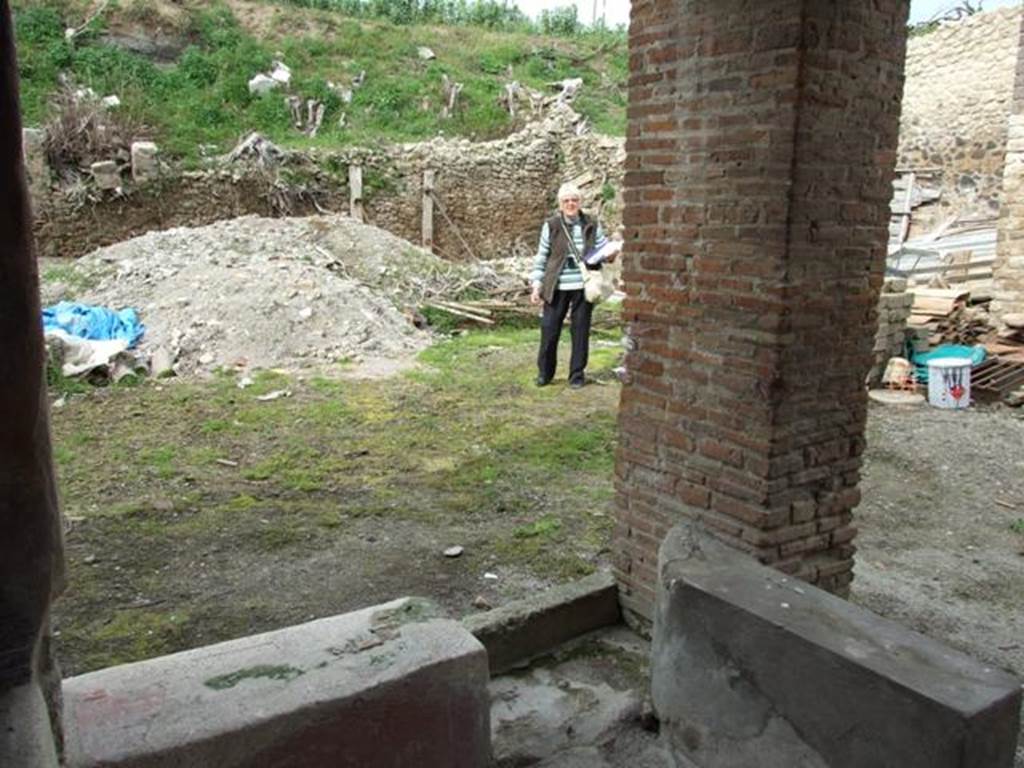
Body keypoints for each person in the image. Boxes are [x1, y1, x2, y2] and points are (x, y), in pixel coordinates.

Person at [529, 183, 614, 389]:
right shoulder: (552, 225)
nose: (570, 204)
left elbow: (602, 247)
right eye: (566, 201)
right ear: (560, 203)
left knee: (580, 331)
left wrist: (611, 253)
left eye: (574, 200)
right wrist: (536, 284)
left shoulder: (591, 222)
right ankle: (545, 373)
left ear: (580, 202)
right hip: (556, 286)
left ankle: (576, 375)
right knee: (549, 331)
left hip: (583, 286)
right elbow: (542, 256)